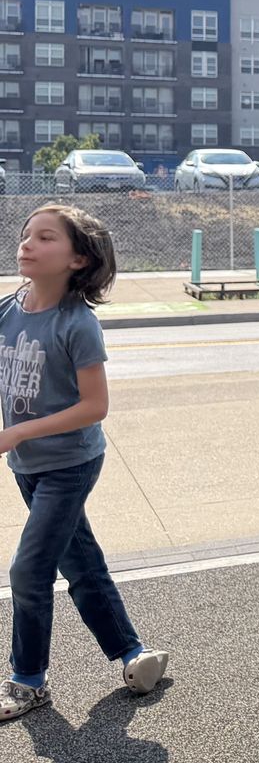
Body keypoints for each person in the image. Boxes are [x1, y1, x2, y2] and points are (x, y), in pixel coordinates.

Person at [0, 205, 168, 722]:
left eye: (45, 237)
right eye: (26, 234)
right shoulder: (9, 309)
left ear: (77, 258)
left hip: (69, 463)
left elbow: (95, 406)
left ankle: (28, 682)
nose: (27, 243)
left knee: (29, 570)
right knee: (80, 563)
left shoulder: (77, 323)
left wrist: (17, 432)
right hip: (28, 462)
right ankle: (134, 655)